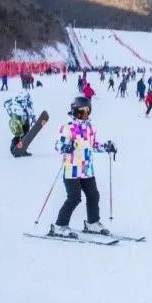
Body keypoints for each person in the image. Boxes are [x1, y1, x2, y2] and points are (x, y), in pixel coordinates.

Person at [51, 97, 113, 238]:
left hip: (87, 169)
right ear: (74, 112)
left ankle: (92, 223)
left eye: (87, 111)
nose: (84, 115)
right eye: (81, 112)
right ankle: (60, 226)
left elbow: (93, 145)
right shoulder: (68, 128)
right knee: (74, 197)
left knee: (93, 195)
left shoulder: (90, 127)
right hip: (72, 169)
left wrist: (106, 147)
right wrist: (66, 146)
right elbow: (58, 146)